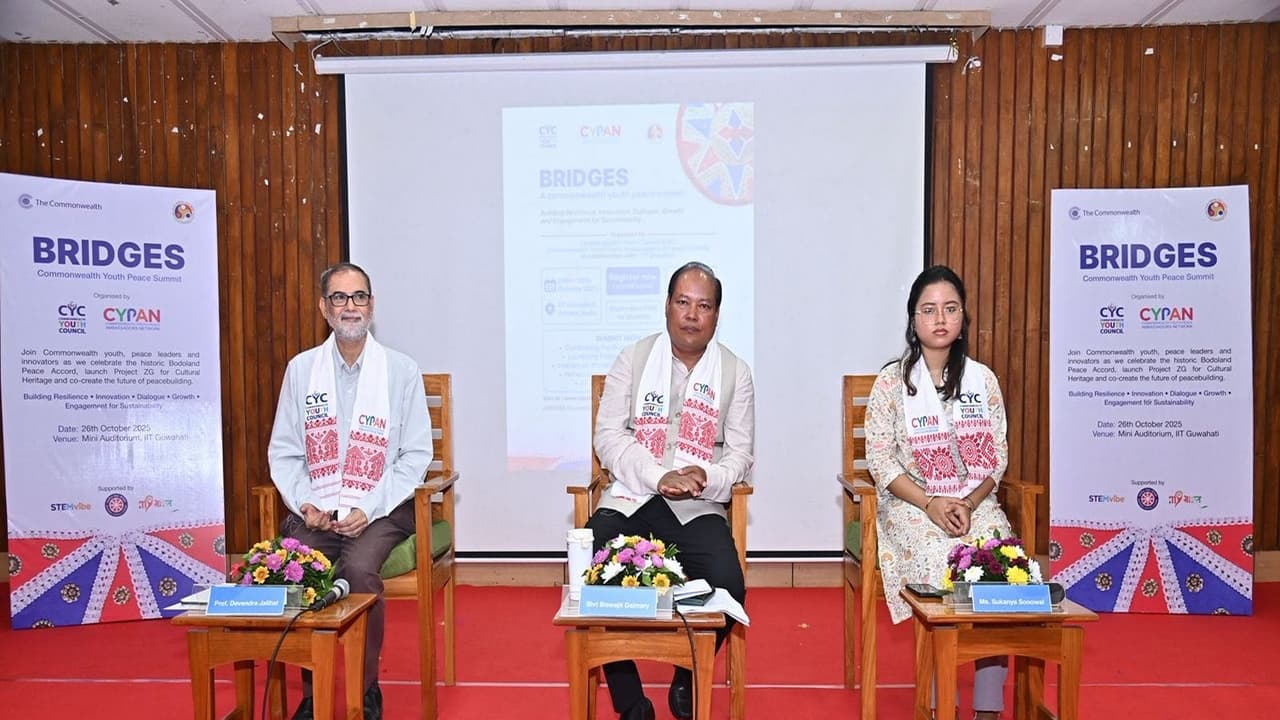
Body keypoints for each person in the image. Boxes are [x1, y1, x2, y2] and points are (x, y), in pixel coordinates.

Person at [588, 261, 754, 720]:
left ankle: (688, 676)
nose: (691, 315)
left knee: (730, 584)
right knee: (592, 573)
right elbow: (608, 436)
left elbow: (739, 455)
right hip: (633, 496)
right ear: (667, 307)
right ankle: (631, 703)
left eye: (703, 306)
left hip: (697, 507)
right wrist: (656, 475)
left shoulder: (735, 372)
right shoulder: (634, 358)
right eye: (683, 302)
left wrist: (707, 476)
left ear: (717, 315)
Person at [267, 262, 433, 720]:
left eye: (359, 296)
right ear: (323, 308)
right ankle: (312, 690)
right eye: (339, 298)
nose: (350, 307)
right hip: (317, 506)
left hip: (383, 508)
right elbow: (284, 452)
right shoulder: (302, 370)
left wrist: (368, 505)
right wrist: (305, 500)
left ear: (372, 306)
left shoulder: (401, 370)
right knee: (297, 565)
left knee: (359, 572)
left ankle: (366, 688)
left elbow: (415, 456)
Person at [864, 265, 1012, 720]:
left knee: (1001, 564)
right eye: (929, 310)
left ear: (963, 317)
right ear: (913, 321)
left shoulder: (981, 381)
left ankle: (987, 705)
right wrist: (931, 502)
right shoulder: (892, 382)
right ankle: (936, 699)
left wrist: (966, 502)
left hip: (974, 502)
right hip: (911, 503)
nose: (940, 319)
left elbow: (998, 455)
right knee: (938, 559)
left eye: (950, 309)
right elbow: (881, 459)